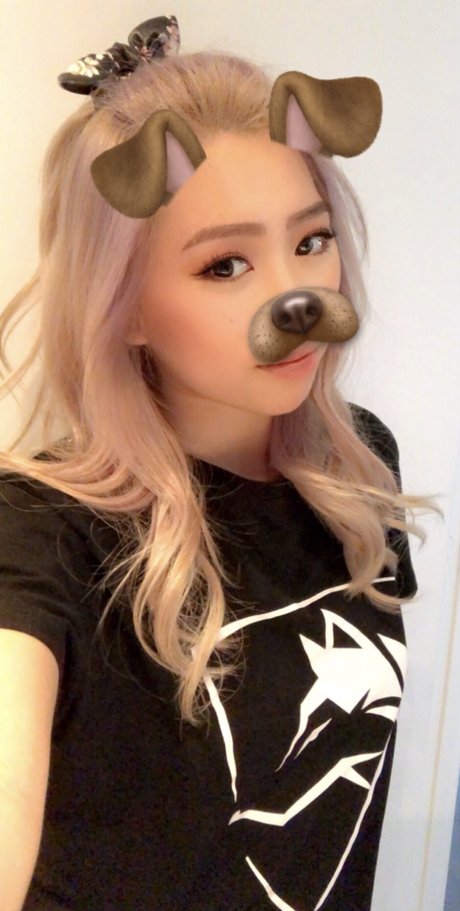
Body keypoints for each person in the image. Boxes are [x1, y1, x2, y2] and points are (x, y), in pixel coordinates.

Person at [0, 14, 443, 911]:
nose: (297, 296)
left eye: (311, 241)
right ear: (124, 305)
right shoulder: (43, 533)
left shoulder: (360, 466)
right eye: (225, 264)